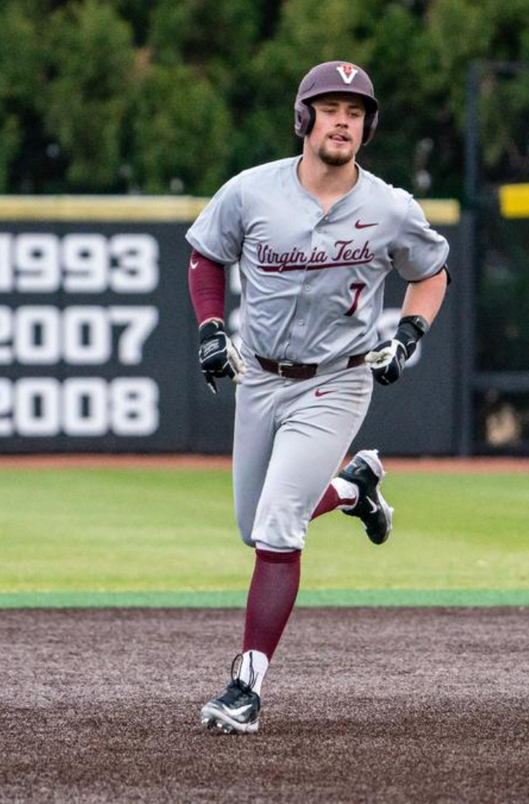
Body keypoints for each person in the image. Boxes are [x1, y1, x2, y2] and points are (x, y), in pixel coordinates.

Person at [185, 61, 450, 735]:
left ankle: (246, 686)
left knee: (278, 525)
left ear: (368, 127)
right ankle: (356, 490)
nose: (343, 120)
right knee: (256, 527)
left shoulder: (388, 207)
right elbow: (206, 255)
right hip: (262, 377)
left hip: (339, 377)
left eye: (356, 112)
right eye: (330, 107)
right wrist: (211, 328)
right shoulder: (251, 192)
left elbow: (432, 272)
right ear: (303, 118)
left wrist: (411, 333)